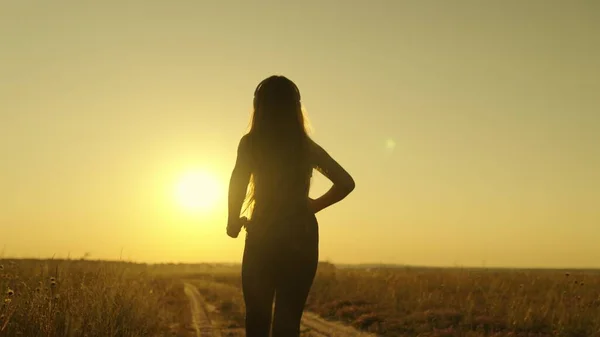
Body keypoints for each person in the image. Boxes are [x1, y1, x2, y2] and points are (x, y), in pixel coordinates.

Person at [226, 75, 355, 337]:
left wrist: (232, 222)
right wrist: (314, 206)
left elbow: (237, 184)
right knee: (288, 323)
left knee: (258, 321)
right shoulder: (305, 147)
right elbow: (345, 182)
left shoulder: (251, 144)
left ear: (259, 106)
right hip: (302, 238)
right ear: (295, 108)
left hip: (263, 236)